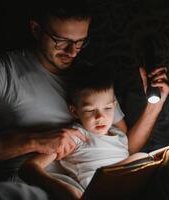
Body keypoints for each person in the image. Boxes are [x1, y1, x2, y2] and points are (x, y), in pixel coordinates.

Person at [0, 2, 169, 200]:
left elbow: (126, 147)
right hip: (40, 186)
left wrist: (155, 105)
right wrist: (37, 141)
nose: (73, 52)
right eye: (61, 41)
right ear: (36, 30)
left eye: (80, 42)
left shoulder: (91, 78)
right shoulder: (4, 70)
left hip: (106, 184)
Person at [18, 65, 152, 200]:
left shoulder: (121, 136)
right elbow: (28, 168)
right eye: (90, 110)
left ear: (114, 106)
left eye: (107, 108)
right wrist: (65, 189)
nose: (100, 117)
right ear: (75, 112)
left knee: (152, 158)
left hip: (130, 190)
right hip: (98, 194)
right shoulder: (75, 136)